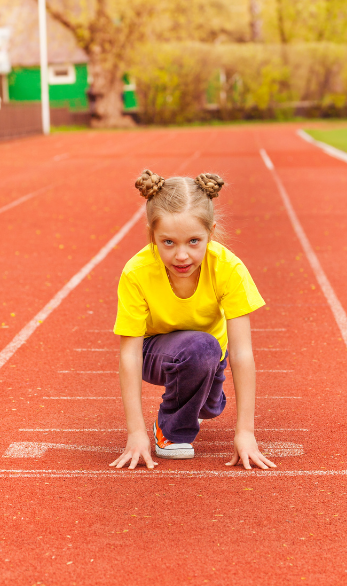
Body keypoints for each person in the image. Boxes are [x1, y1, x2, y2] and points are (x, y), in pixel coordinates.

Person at [110, 170, 273, 470]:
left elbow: (241, 352)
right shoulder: (137, 272)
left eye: (194, 241)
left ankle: (202, 394)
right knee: (201, 348)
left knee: (210, 402)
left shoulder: (229, 268)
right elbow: (130, 353)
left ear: (211, 232)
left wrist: (246, 432)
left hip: (211, 353)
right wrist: (135, 433)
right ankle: (170, 431)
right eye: (168, 242)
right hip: (154, 352)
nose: (181, 255)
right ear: (152, 236)